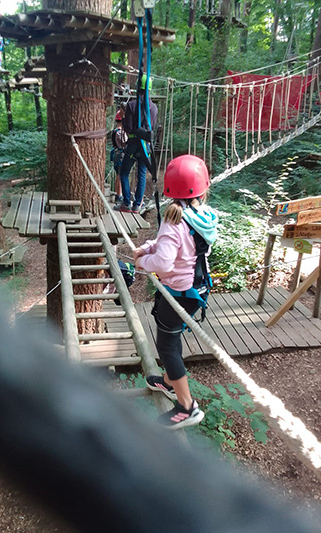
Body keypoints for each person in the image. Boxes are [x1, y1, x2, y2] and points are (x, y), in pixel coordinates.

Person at [133, 154, 218, 430]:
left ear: (169, 187)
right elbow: (175, 245)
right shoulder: (202, 215)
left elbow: (163, 262)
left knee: (167, 346)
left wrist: (142, 262)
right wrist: (148, 247)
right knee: (172, 337)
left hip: (178, 293)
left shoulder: (173, 218)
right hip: (196, 288)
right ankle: (170, 382)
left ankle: (186, 406)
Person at [115, 74, 158, 214]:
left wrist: (125, 120)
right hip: (145, 146)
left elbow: (128, 128)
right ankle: (137, 204)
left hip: (133, 144)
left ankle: (127, 202)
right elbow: (152, 127)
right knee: (142, 174)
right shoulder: (154, 108)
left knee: (124, 172)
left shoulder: (132, 105)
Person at [110, 109, 128, 204]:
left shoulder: (115, 131)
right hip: (121, 155)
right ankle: (119, 195)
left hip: (117, 154)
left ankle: (118, 195)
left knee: (118, 175)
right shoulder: (120, 132)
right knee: (121, 176)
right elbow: (125, 143)